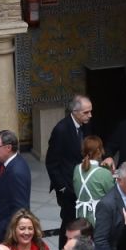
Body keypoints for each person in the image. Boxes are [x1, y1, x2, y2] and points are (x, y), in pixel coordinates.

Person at [45, 96, 95, 236]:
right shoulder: (61, 130)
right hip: (67, 185)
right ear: (75, 111)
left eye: (90, 111)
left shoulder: (86, 125)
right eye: (86, 112)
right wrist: (61, 187)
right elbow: (51, 162)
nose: (90, 115)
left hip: (83, 182)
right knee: (69, 221)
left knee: (82, 221)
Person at [0, 132, 32, 243]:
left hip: (6, 234)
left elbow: (20, 208)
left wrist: (8, 233)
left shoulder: (16, 172)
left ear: (8, 148)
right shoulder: (9, 164)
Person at [69, 134, 115, 227]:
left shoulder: (76, 169)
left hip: (80, 217)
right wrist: (110, 174)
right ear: (99, 151)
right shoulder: (103, 173)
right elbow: (113, 196)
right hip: (98, 219)